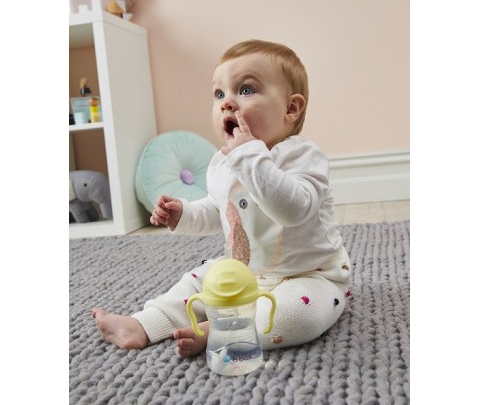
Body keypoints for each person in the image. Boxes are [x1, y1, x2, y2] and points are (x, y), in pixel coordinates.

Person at [92, 39, 351, 356]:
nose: (227, 103)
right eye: (219, 94)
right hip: (245, 271)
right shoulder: (222, 163)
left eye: (246, 90)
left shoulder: (302, 155)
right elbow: (219, 209)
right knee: (196, 282)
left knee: (296, 315)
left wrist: (250, 155)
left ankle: (222, 330)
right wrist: (183, 214)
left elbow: (292, 210)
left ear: (291, 108)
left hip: (309, 275)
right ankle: (144, 324)